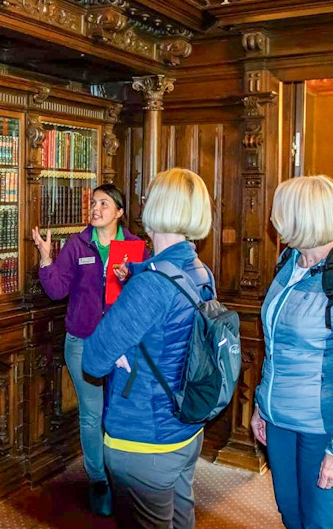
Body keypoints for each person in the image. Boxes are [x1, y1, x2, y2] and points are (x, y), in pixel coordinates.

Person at [82, 167, 214, 529]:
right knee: (180, 518)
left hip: (145, 436)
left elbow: (93, 360)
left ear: (156, 208)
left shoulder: (150, 285)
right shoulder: (200, 270)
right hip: (186, 428)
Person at [32, 183, 145, 516]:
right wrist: (46, 257)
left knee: (121, 414)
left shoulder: (136, 247)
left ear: (120, 212)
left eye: (104, 203)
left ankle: (124, 478)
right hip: (83, 344)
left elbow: (148, 296)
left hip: (124, 346)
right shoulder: (77, 244)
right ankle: (99, 482)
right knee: (92, 415)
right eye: (93, 203)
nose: (95, 208)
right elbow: (56, 290)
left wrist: (133, 277)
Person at [250, 174, 333, 529]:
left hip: (321, 427)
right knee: (290, 513)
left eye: (280, 212)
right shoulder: (288, 262)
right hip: (278, 416)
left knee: (320, 521)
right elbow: (273, 346)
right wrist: (260, 405)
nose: (274, 220)